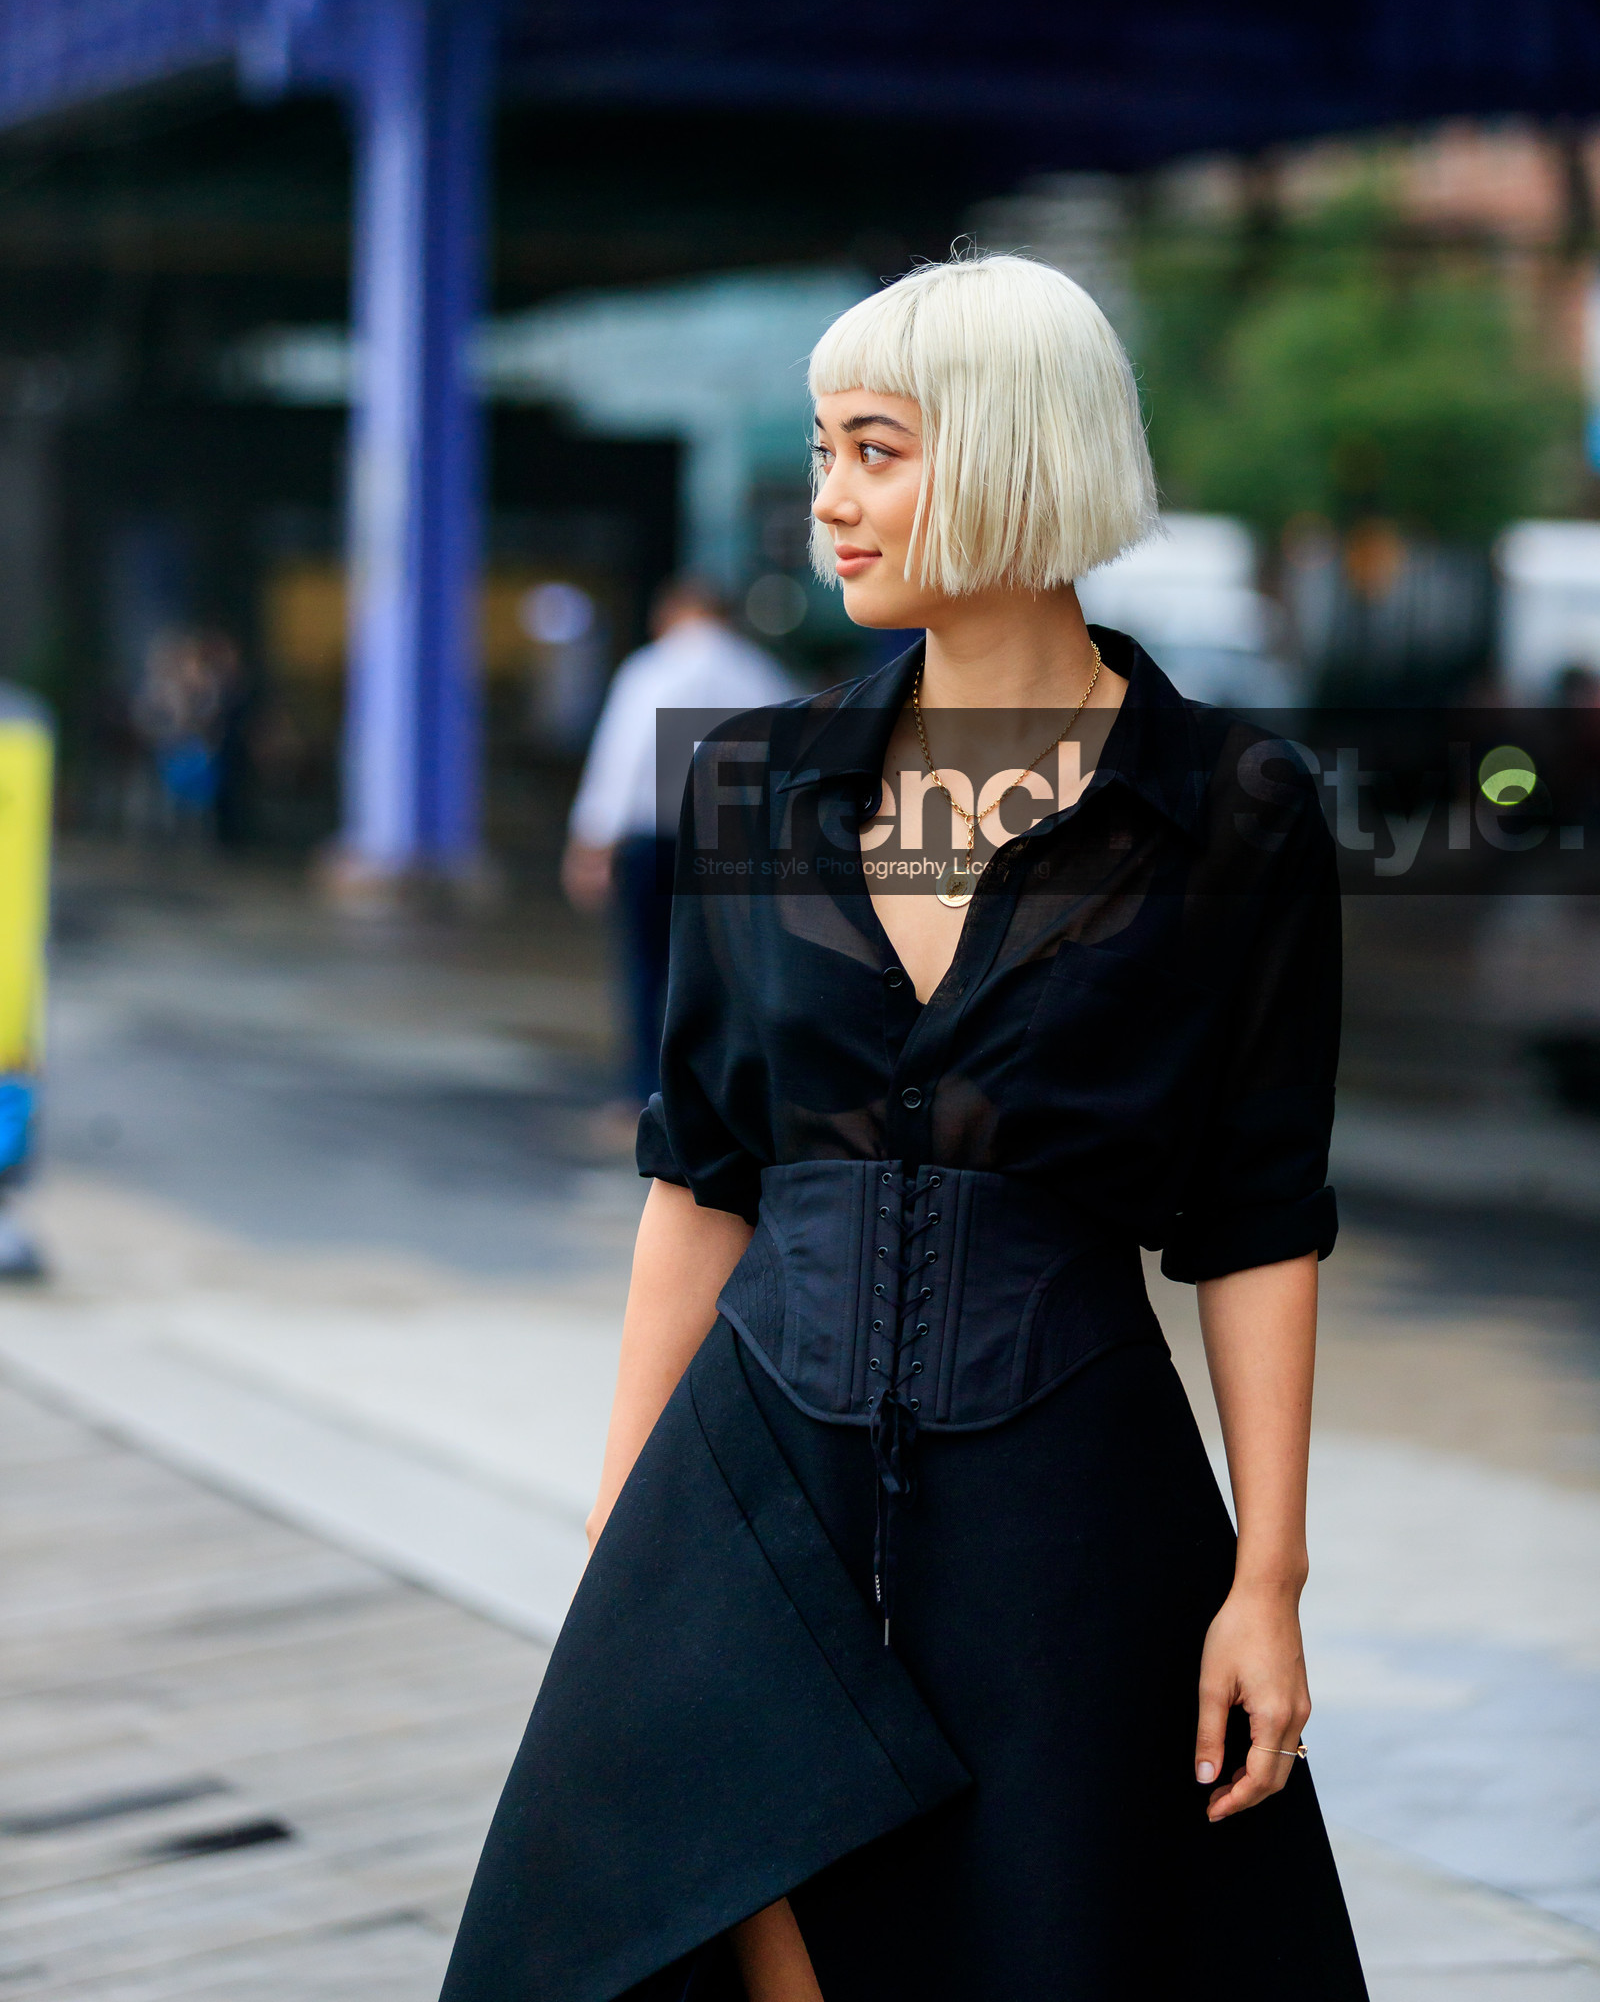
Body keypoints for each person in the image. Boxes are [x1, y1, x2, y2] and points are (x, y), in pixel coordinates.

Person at [442, 257, 1366, 2002]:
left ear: (1017, 457)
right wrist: (621, 1534)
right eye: (823, 452)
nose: (831, 501)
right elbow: (701, 1172)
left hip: (1066, 1527)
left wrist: (1269, 1580)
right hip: (746, 1486)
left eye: (877, 450)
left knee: (1047, 1948)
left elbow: (1256, 1217)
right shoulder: (746, 782)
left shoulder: (1239, 811)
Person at [563, 578, 792, 1112]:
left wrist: (592, 842)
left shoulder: (652, 668)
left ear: (673, 612)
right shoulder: (759, 672)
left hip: (656, 839)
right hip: (733, 843)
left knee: (646, 968)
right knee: (722, 974)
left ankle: (645, 1095)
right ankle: (714, 1100)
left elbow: (623, 755)